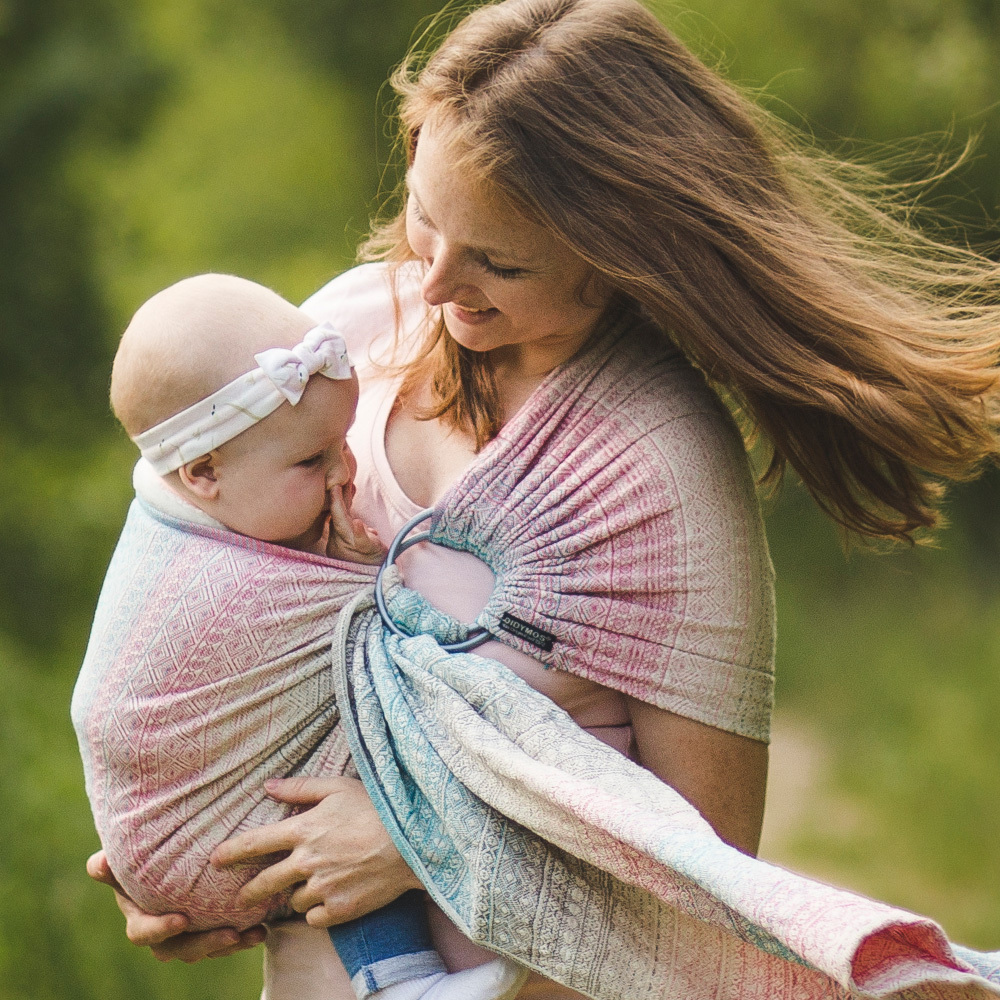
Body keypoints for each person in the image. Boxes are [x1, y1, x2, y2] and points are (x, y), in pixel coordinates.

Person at [88, 0, 1000, 997]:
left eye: (499, 261)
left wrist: (418, 840)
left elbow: (707, 863)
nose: (431, 281)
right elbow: (206, 592)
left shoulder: (654, 464)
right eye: (426, 214)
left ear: (618, 265)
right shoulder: (337, 339)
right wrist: (177, 855)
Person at [74, 273, 524, 1000]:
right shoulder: (204, 571)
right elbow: (383, 637)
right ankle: (399, 982)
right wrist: (358, 575)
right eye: (313, 462)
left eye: (340, 444)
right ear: (201, 473)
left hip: (189, 857)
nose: (344, 472)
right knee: (371, 726)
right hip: (201, 843)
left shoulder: (247, 453)